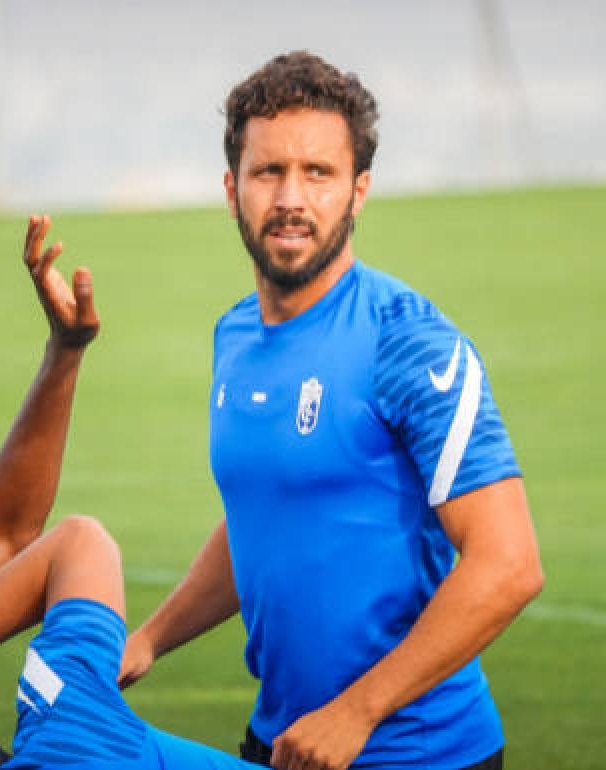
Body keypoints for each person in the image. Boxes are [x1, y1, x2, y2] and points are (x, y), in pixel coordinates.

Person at [118, 51, 543, 770]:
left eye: (318, 173)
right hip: (282, 744)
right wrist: (150, 638)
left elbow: (509, 565)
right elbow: (265, 514)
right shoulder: (234, 335)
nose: (291, 197)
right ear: (232, 189)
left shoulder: (409, 340)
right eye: (268, 172)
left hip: (417, 753)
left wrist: (357, 713)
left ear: (359, 192)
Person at [0, 216, 259, 770]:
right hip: (74, 737)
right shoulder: (74, 726)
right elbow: (58, 543)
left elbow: (3, 537)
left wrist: (67, 349)